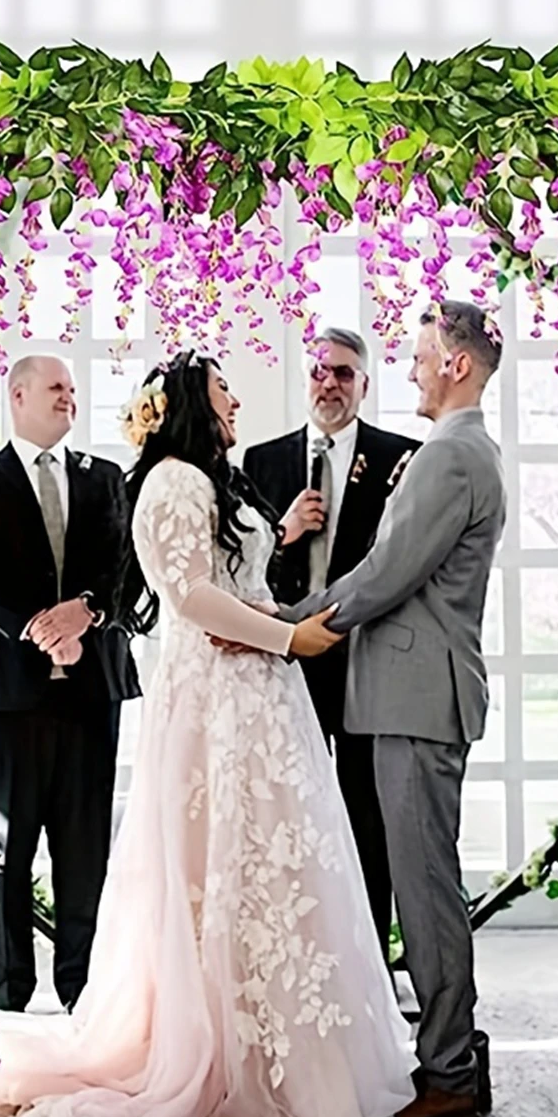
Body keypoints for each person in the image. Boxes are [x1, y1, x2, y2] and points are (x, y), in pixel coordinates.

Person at [0, 350, 417, 1117]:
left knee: (270, 870)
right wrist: (288, 636)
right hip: (218, 699)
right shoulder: (168, 482)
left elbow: (236, 577)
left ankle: (275, 1048)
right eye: (225, 392)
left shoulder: (213, 481)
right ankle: (210, 1055)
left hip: (260, 694)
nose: (237, 403)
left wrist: (283, 601)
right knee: (213, 868)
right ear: (195, 404)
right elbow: (192, 599)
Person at [284, 300, 506, 1117]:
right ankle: (454, 1056)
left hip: (417, 699)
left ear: (455, 364)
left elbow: (384, 573)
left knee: (424, 889)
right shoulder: (457, 449)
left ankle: (447, 1071)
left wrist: (292, 626)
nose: (411, 370)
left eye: (418, 358)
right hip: (407, 695)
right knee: (423, 883)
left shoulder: (451, 455)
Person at [0, 355, 140, 1014]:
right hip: (2, 697)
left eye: (74, 390)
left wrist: (87, 612)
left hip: (91, 697)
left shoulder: (106, 478)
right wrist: (31, 625)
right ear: (18, 394)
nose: (70, 398)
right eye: (57, 387)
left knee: (85, 854)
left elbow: (125, 566)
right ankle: (6, 997)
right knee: (6, 853)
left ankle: (85, 996)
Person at [242, 328, 419, 960]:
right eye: (319, 372)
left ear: (365, 386)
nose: (330, 384)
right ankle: (300, 952)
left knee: (366, 817)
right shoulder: (260, 461)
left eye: (344, 374)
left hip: (367, 658)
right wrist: (282, 533)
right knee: (293, 810)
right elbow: (239, 565)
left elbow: (401, 563)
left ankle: (369, 959)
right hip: (286, 654)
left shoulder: (404, 457)